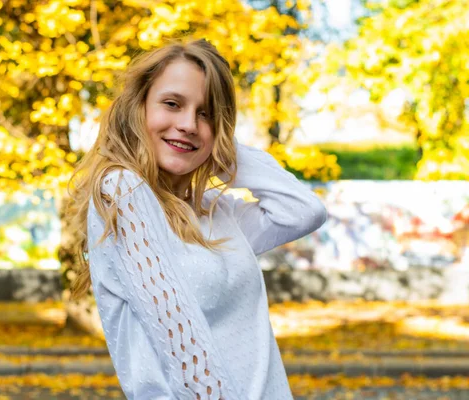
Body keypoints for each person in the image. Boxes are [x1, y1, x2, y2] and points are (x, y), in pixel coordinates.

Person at [65, 39, 327, 400]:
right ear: (137, 108)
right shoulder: (122, 190)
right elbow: (184, 346)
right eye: (172, 104)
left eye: (206, 113)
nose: (188, 124)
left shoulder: (213, 211)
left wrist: (222, 149)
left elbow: (303, 211)